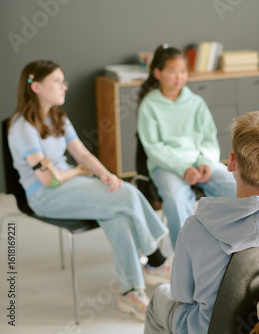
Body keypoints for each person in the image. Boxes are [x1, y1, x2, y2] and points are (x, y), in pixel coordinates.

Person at [8, 60, 175, 321]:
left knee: (117, 211)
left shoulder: (58, 117)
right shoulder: (22, 128)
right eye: (57, 81)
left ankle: (131, 292)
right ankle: (155, 259)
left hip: (69, 184)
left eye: (64, 80)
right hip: (44, 196)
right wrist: (77, 171)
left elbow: (82, 154)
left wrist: (106, 175)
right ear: (37, 87)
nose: (64, 86)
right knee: (128, 195)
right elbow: (48, 180)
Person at [143, 111, 259, 334]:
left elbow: (182, 296)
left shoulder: (196, 229)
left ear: (231, 162)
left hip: (210, 330)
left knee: (162, 294)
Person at [137, 44, 236, 250]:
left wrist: (206, 163)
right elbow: (154, 147)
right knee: (175, 199)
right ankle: (186, 257)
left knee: (236, 185)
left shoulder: (196, 102)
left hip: (200, 162)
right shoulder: (150, 105)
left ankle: (234, 247)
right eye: (172, 71)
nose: (178, 77)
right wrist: (182, 168)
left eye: (183, 71)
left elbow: (209, 139)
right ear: (158, 73)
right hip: (166, 166)